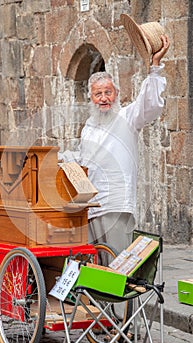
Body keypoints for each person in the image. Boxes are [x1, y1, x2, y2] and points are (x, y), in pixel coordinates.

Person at [61, 34, 170, 255]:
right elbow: (84, 159)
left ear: (116, 94)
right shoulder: (90, 126)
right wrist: (55, 157)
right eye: (98, 94)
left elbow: (149, 104)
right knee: (95, 262)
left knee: (116, 261)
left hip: (116, 205)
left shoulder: (127, 117)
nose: (103, 98)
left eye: (107, 92)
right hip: (92, 206)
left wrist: (155, 67)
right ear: (91, 98)